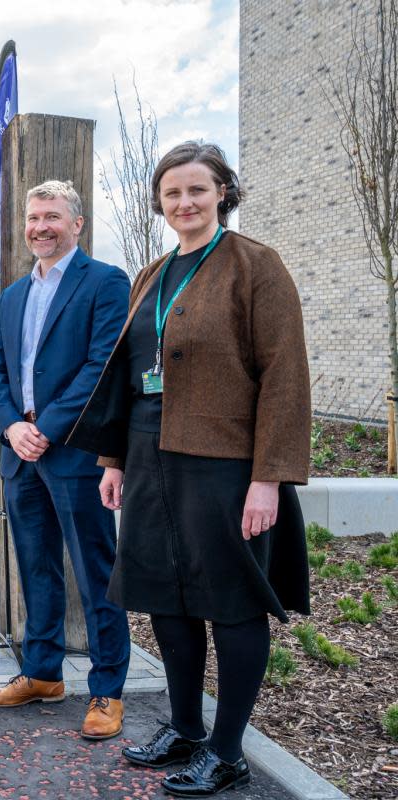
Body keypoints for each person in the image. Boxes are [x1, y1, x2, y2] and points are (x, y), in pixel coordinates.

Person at [69, 141, 310, 797]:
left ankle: (227, 751)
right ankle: (184, 728)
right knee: (167, 602)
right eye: (172, 193)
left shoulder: (255, 266)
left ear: (223, 193)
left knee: (231, 604)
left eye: (198, 190)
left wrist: (269, 477)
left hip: (224, 465)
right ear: (160, 202)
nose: (185, 203)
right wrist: (114, 458)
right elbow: (127, 372)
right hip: (149, 455)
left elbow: (285, 378)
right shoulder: (151, 274)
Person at [0, 180, 132, 740]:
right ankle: (42, 673)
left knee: (96, 574)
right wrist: (14, 427)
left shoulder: (106, 283)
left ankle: (108, 689)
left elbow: (101, 367)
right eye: (33, 217)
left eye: (53, 217)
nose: (40, 227)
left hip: (75, 453)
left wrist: (46, 427)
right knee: (35, 569)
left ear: (77, 224)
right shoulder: (15, 293)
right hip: (22, 454)